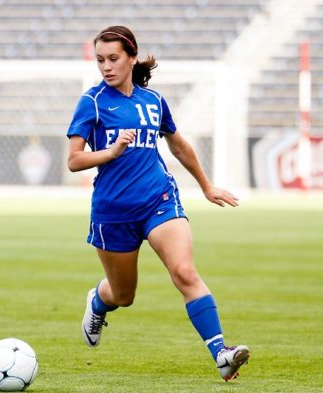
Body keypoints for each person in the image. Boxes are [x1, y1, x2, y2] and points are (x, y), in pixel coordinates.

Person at [66, 26, 250, 381]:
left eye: (113, 58)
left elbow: (178, 145)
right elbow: (74, 160)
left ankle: (222, 354)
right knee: (123, 294)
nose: (106, 66)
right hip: (113, 212)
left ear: (132, 58)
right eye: (100, 60)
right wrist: (112, 151)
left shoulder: (153, 101)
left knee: (185, 272)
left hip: (159, 200)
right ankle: (98, 302)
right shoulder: (91, 102)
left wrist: (206, 186)